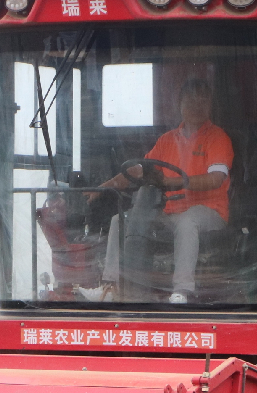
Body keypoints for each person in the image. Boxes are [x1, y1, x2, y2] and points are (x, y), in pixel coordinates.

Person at [83, 77, 234, 304]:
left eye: (202, 100)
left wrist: (173, 182)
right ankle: (111, 286)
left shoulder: (218, 138)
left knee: (187, 222)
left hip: (209, 210)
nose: (196, 105)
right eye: (191, 100)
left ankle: (182, 291)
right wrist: (103, 188)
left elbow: (216, 179)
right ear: (180, 104)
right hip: (169, 212)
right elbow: (140, 170)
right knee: (120, 220)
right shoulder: (167, 140)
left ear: (210, 104)